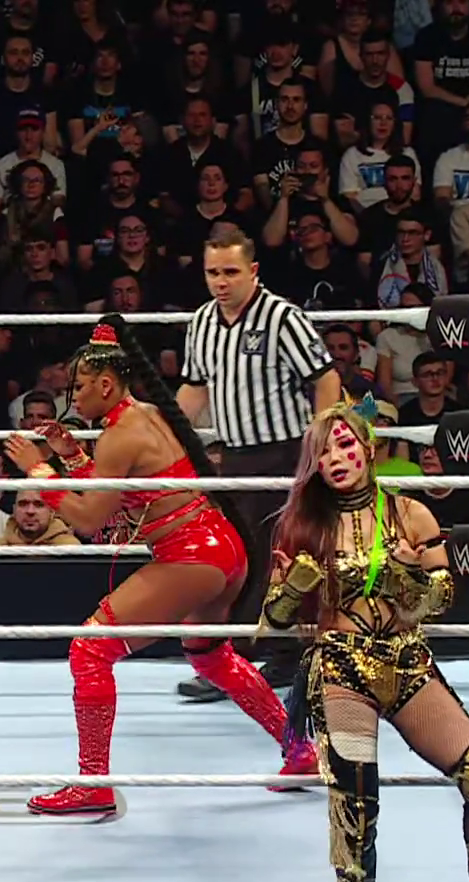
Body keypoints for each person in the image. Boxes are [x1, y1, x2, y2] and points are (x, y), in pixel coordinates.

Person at [263, 402, 469, 882]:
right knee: (355, 797)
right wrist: (295, 588)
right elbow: (271, 623)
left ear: (368, 449)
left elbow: (441, 600)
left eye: (346, 444)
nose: (336, 458)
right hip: (342, 666)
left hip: (406, 662)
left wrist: (403, 574)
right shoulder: (302, 525)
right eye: (324, 451)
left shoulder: (412, 513)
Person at [3, 315, 317, 816]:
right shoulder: (144, 415)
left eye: (80, 387)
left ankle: (93, 783)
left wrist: (38, 471)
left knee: (90, 649)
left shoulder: (119, 435)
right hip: (221, 546)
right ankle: (299, 750)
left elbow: (90, 517)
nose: (72, 398)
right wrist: (71, 454)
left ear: (107, 385)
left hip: (191, 554)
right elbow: (118, 493)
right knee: (211, 657)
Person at [174, 223, 344, 704]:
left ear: (252, 270)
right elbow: (194, 389)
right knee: (239, 558)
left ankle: (254, 658)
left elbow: (325, 378)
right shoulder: (202, 322)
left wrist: (321, 440)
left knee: (275, 557)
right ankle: (259, 656)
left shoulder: (282, 317)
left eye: (230, 272)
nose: (220, 281)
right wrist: (164, 434)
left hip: (285, 452)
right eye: (212, 272)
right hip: (233, 458)